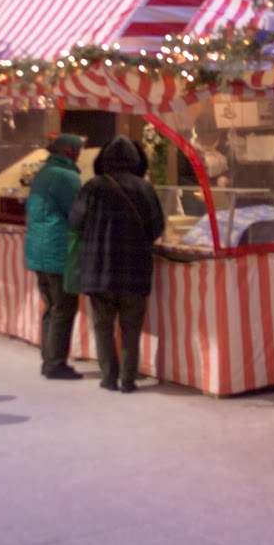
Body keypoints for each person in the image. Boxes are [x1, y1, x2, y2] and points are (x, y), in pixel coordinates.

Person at [69, 136, 165, 393]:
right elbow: (157, 227)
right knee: (131, 327)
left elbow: (75, 222)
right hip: (134, 269)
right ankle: (128, 379)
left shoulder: (92, 187)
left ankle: (108, 377)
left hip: (98, 268)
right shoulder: (145, 188)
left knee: (103, 325)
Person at [23, 134, 85, 380]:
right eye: (78, 150)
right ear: (69, 151)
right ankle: (55, 362)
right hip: (57, 250)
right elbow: (78, 212)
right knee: (63, 307)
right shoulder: (66, 177)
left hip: (38, 249)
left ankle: (48, 358)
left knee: (51, 306)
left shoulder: (45, 173)